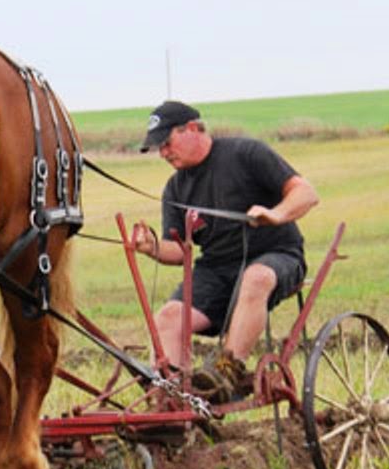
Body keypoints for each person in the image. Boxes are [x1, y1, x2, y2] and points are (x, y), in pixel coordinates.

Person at [131, 100, 319, 393]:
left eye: (167, 143)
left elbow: (306, 193)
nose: (164, 153)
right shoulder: (175, 188)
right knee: (167, 318)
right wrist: (152, 247)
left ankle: (227, 372)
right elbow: (179, 251)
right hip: (216, 269)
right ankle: (175, 400)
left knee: (255, 277)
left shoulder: (246, 154)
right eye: (159, 148)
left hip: (277, 255)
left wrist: (276, 214)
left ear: (192, 128)